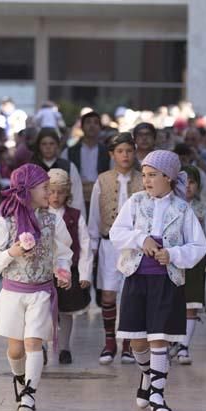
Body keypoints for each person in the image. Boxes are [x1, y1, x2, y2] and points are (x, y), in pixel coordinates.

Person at [110, 150, 206, 411]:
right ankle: (147, 374)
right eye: (144, 175)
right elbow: (116, 232)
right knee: (137, 342)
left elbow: (199, 246)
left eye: (153, 175)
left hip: (166, 280)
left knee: (159, 337)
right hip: (137, 277)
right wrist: (141, 239)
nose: (147, 181)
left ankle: (158, 394)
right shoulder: (135, 202)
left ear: (169, 177)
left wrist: (173, 254)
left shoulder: (182, 208)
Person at [0, 164, 73, 411]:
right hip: (12, 293)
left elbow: (63, 251)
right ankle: (19, 378)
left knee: (34, 342)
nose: (50, 192)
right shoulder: (3, 224)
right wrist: (12, 252)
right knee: (16, 349)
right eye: (45, 187)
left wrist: (63, 270)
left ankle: (29, 395)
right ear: (29, 190)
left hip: (41, 293)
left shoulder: (53, 221)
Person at [88, 133, 144, 364]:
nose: (125, 155)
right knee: (109, 294)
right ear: (112, 154)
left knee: (130, 295)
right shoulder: (103, 180)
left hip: (135, 245)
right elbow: (94, 215)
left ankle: (128, 344)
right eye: (120, 151)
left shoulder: (143, 179)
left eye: (129, 151)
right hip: (109, 243)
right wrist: (91, 247)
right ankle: (110, 341)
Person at [171, 166, 206, 365]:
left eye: (192, 182)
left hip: (195, 264)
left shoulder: (203, 210)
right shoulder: (170, 207)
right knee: (171, 304)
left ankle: (184, 346)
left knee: (191, 305)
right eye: (183, 182)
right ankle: (171, 343)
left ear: (198, 186)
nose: (187, 186)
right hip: (172, 262)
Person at [47, 169, 93, 364]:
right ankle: (42, 345)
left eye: (60, 192)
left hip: (69, 271)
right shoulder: (39, 214)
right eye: (51, 191)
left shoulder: (75, 216)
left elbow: (85, 246)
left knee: (66, 311)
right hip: (45, 273)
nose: (55, 196)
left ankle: (65, 347)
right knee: (42, 311)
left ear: (67, 193)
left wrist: (85, 274)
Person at [30, 128, 84, 214]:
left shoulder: (68, 167)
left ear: (57, 145)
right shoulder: (32, 168)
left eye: (52, 143)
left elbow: (76, 196)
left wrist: (77, 219)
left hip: (63, 216)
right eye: (44, 144)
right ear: (39, 146)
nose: (48, 147)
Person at [65, 111, 110, 211]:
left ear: (100, 127)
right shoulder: (69, 151)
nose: (92, 126)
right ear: (82, 126)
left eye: (95, 123)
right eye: (88, 122)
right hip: (76, 195)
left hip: (100, 196)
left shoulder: (108, 152)